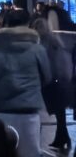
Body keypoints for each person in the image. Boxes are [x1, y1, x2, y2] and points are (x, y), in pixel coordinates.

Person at [0, 8, 51, 157]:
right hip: (30, 113)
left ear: (5, 24)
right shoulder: (37, 49)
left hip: (2, 113)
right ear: (28, 24)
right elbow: (47, 77)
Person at [31, 17, 72, 150]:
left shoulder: (48, 42)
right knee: (58, 111)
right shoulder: (49, 41)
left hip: (53, 80)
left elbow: (54, 61)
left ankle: (62, 137)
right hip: (54, 79)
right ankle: (62, 136)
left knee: (58, 110)